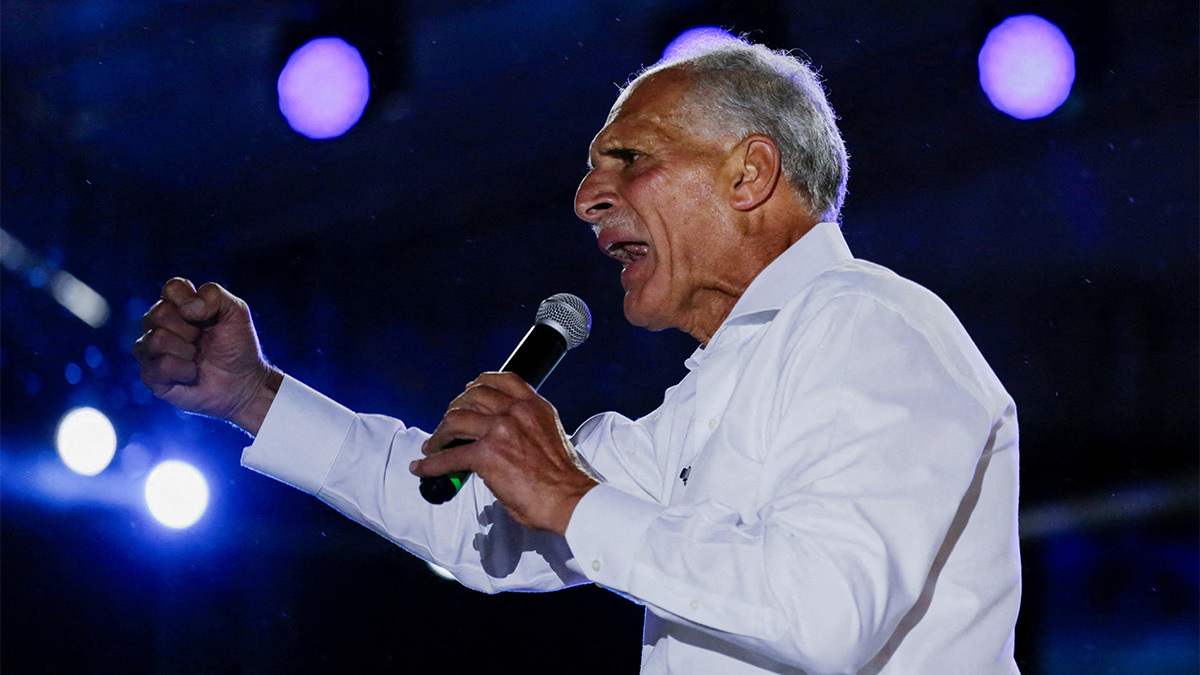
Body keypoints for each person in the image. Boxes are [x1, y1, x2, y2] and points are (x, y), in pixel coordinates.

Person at [135, 37, 1021, 674]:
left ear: (749, 175)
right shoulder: (709, 398)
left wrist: (569, 493)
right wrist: (253, 394)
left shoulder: (876, 325)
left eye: (629, 158)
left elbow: (827, 611)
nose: (586, 197)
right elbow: (471, 527)